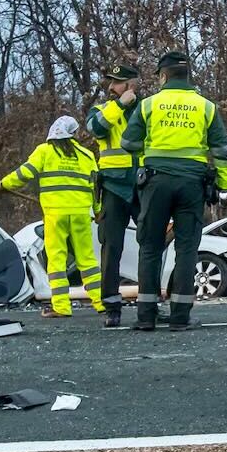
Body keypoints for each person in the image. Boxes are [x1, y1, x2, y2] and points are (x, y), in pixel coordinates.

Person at [121, 51, 227, 331]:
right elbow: (222, 151)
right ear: (187, 76)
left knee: (149, 247)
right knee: (186, 249)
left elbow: (127, 143)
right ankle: (180, 317)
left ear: (162, 76)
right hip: (192, 185)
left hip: (155, 182)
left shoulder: (149, 105)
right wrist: (225, 185)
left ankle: (146, 316)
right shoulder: (206, 107)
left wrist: (153, 147)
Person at [0, 116, 105, 318]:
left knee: (57, 260)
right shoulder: (87, 155)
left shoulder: (45, 151)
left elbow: (24, 174)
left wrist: (4, 184)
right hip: (81, 213)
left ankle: (62, 307)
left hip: (56, 214)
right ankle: (101, 302)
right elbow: (95, 188)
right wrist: (98, 210)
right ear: (73, 134)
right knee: (87, 260)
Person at [86, 63, 141, 328]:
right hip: (113, 187)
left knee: (152, 245)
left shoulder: (147, 108)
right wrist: (119, 104)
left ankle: (151, 303)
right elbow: (96, 129)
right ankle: (112, 306)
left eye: (116, 82)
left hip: (143, 184)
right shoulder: (102, 109)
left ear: (132, 83)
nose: (110, 87)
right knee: (112, 248)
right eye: (110, 82)